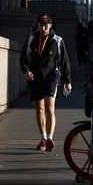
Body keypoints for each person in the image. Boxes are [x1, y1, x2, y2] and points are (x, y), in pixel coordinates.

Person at [20, 13, 72, 151]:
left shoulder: (57, 40)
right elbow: (23, 58)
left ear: (50, 25)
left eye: (46, 25)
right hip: (35, 78)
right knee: (39, 108)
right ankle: (43, 137)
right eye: (41, 24)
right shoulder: (32, 39)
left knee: (49, 108)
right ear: (37, 25)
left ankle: (50, 138)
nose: (43, 27)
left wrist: (68, 81)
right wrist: (26, 71)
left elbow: (64, 61)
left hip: (51, 77)